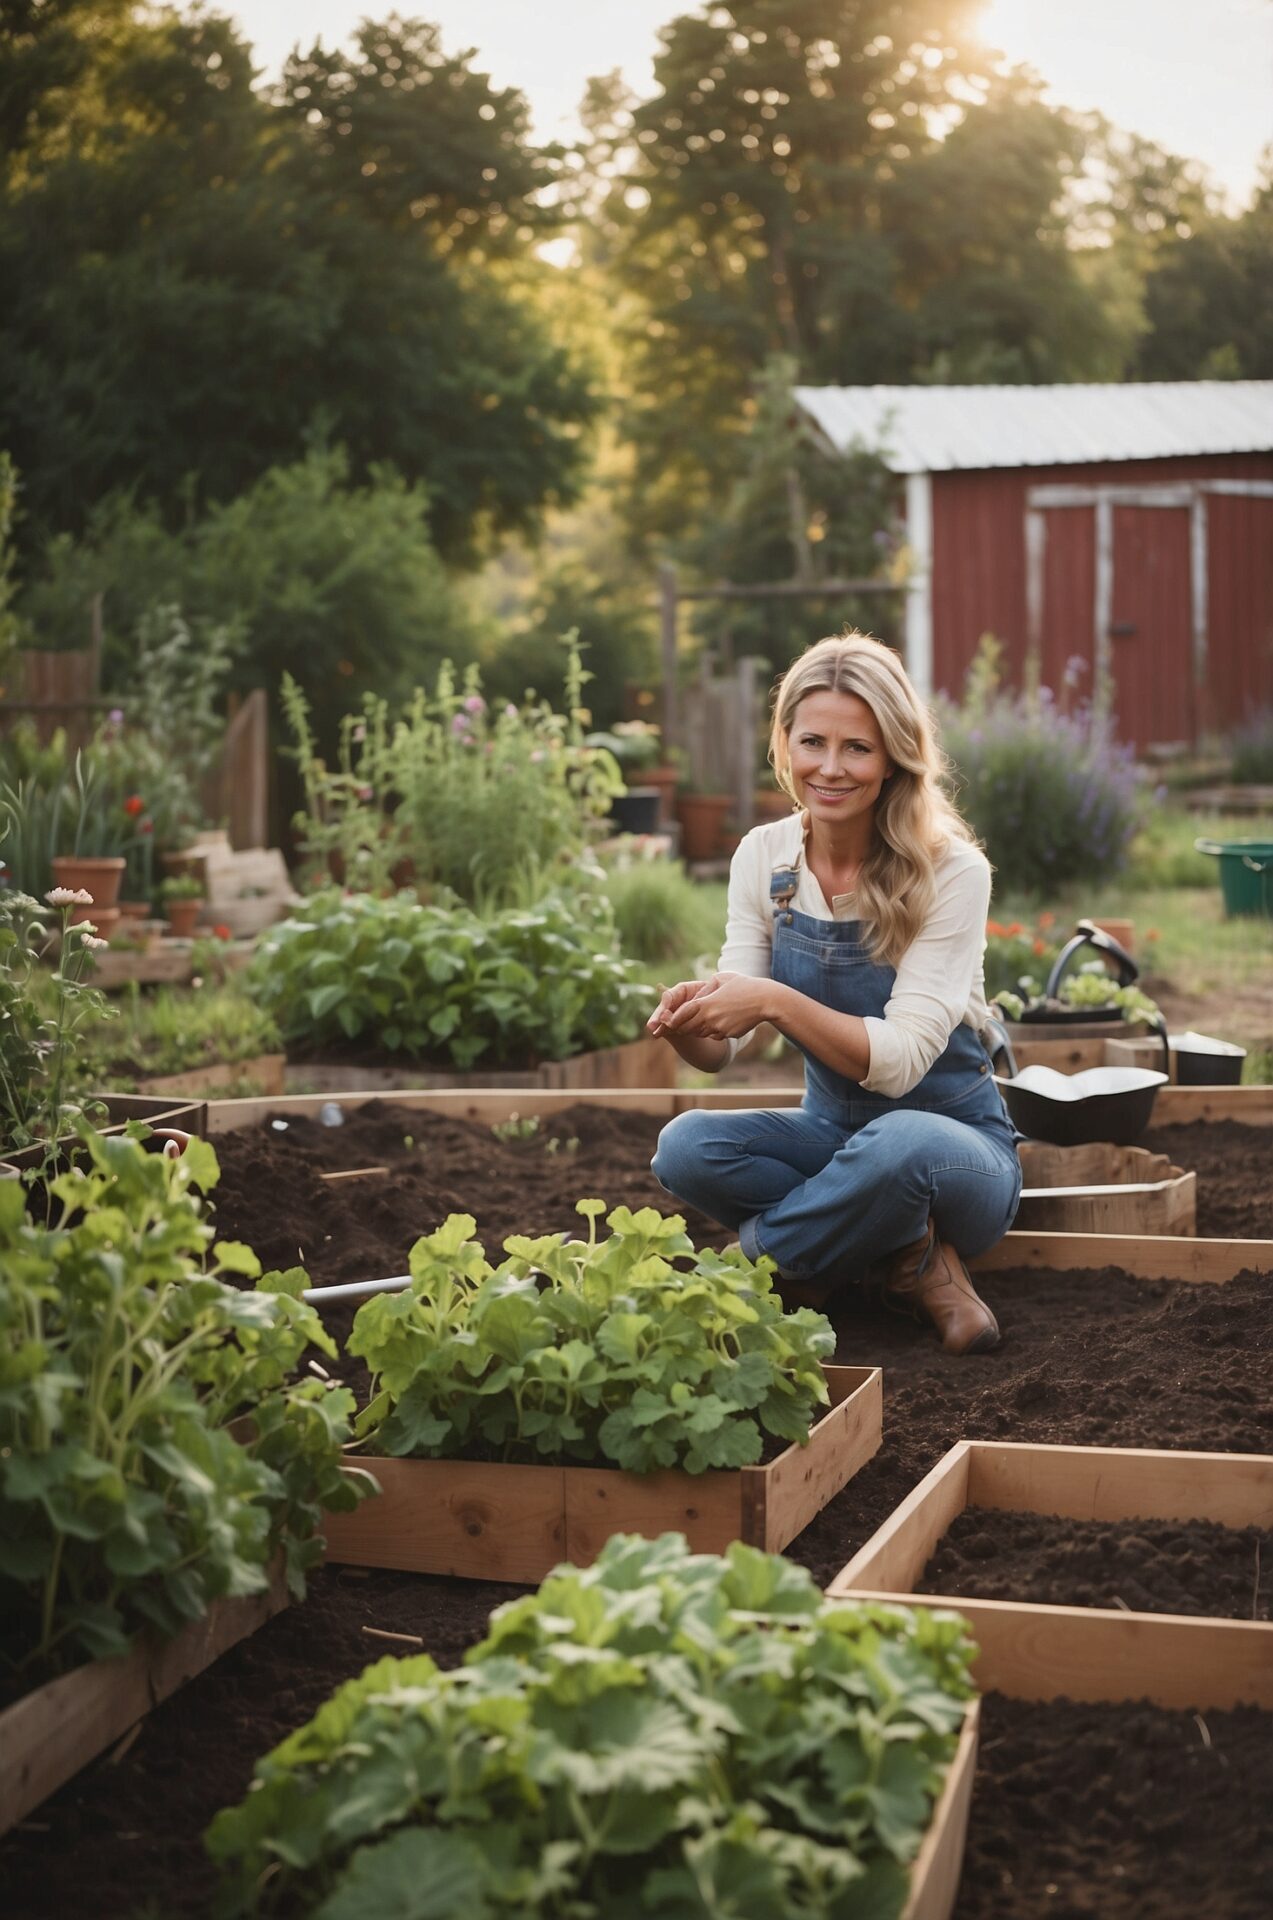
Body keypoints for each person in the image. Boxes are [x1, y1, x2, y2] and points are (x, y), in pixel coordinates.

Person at [647, 633, 1020, 1356]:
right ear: (783, 744)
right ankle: (908, 1255)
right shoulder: (764, 855)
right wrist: (689, 1019)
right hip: (835, 1142)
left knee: (899, 1140)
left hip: (954, 1155)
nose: (829, 766)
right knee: (685, 1146)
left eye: (857, 747)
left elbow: (904, 1062)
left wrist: (771, 1000)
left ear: (892, 758)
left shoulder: (952, 872)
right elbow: (723, 1051)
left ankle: (755, 1275)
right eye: (812, 741)